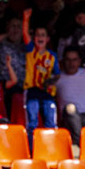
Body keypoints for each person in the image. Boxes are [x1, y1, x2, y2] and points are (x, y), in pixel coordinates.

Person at [21, 9, 58, 146]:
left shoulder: (52, 56)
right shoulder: (31, 50)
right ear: (34, 38)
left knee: (50, 121)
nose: (40, 37)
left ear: (47, 39)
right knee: (32, 122)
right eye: (37, 35)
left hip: (48, 92)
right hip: (32, 90)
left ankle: (51, 148)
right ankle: (32, 148)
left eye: (43, 35)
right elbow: (25, 33)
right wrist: (26, 19)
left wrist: (50, 81)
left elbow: (57, 74)